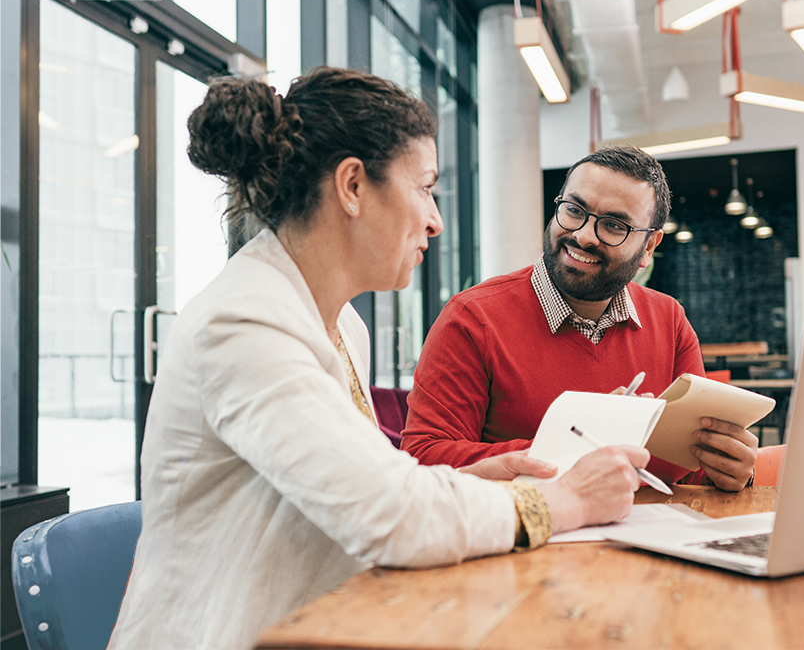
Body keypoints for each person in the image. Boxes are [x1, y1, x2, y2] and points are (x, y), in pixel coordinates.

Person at [107, 69, 651, 650]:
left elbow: (351, 488)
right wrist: (562, 499)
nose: (435, 220)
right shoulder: (243, 323)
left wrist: (465, 479)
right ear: (352, 186)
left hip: (323, 621)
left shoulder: (342, 323)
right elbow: (390, 518)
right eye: (424, 187)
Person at [401, 145, 758, 491]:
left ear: (649, 247)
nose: (583, 235)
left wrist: (727, 468)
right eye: (574, 210)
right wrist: (578, 444)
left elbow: (684, 471)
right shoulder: (471, 318)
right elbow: (423, 459)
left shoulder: (670, 321)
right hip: (531, 542)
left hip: (649, 537)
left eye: (615, 226)